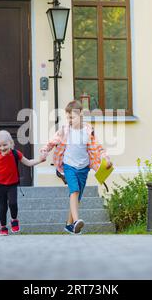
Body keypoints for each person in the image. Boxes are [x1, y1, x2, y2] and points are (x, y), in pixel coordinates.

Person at [40, 100, 112, 234]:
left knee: (77, 197)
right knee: (74, 191)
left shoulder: (88, 130)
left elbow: (98, 147)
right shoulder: (64, 130)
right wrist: (45, 150)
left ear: (81, 115)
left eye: (72, 117)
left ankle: (69, 225)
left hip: (83, 168)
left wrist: (106, 158)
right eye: (67, 117)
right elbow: (52, 142)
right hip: (69, 166)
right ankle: (77, 221)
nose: (69, 120)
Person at [0, 130, 46, 236]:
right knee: (2, 207)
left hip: (12, 184)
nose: (2, 148)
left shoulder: (16, 153)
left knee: (13, 203)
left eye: (5, 145)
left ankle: (14, 219)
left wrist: (40, 160)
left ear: (10, 143)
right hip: (0, 185)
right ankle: (3, 227)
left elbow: (28, 162)